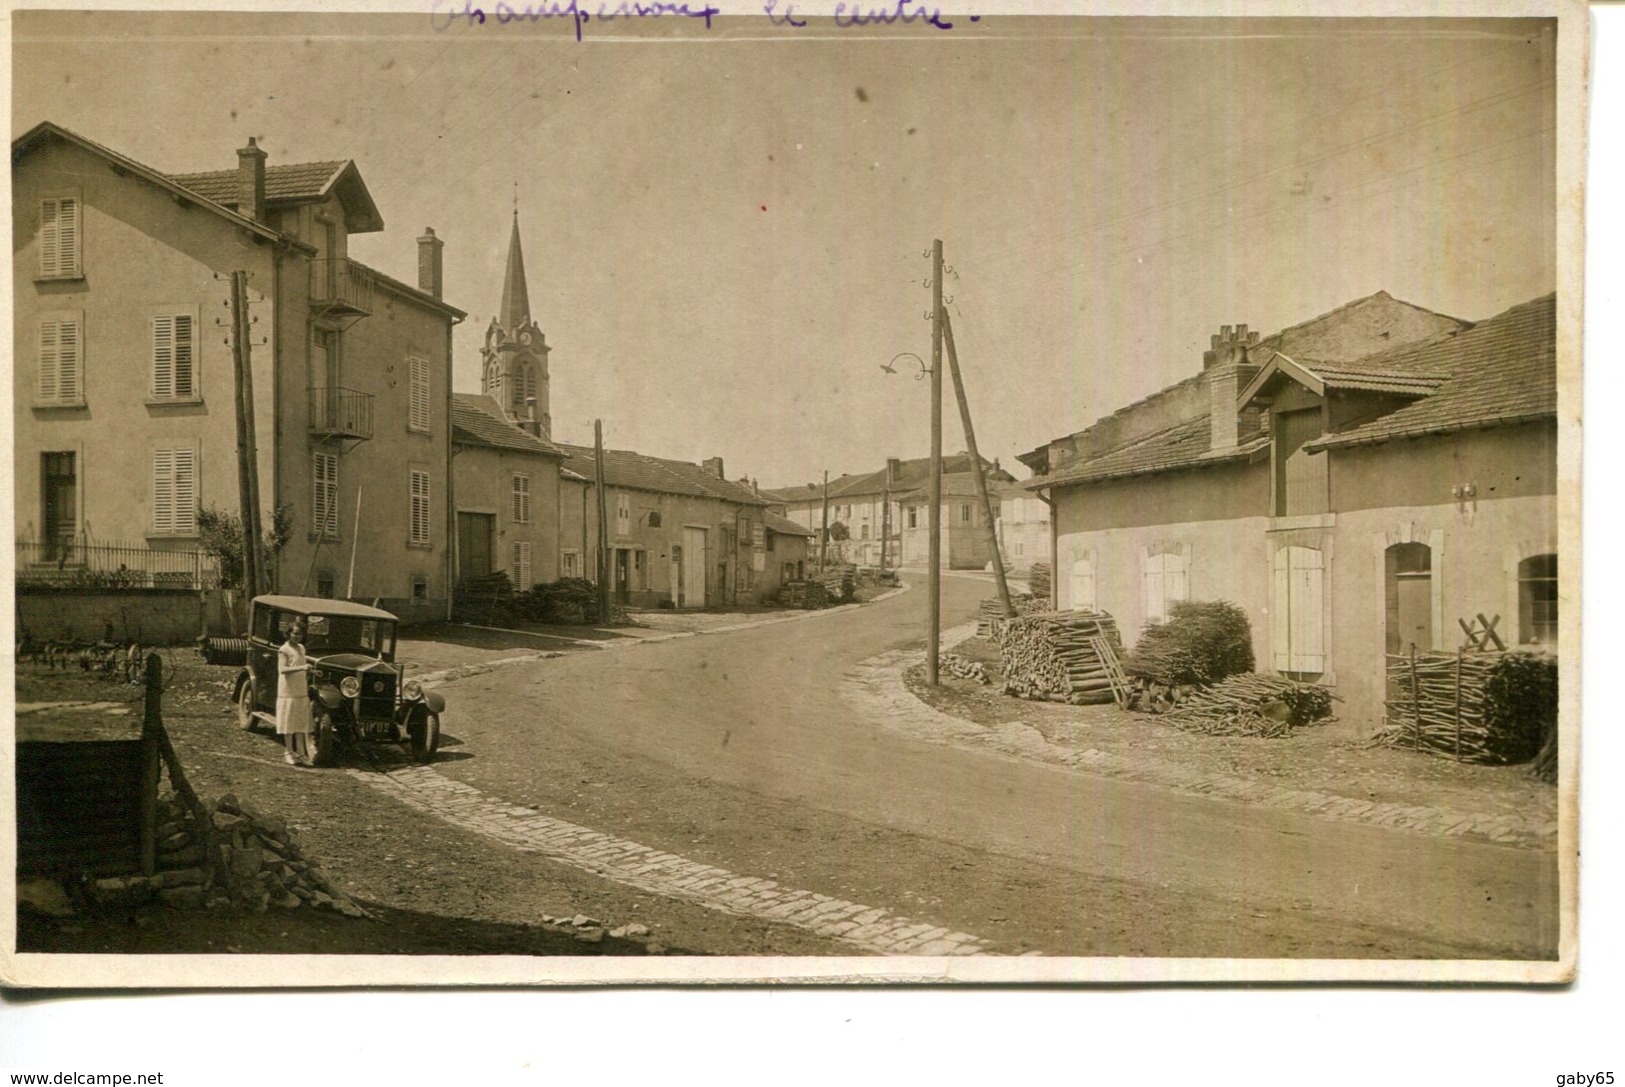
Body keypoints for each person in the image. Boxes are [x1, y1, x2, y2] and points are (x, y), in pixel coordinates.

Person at [276, 619, 315, 766]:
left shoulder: (301, 648)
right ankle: (289, 751)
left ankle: (301, 753)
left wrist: (310, 670)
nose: (298, 636)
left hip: (300, 688)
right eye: (295, 633)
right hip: (288, 689)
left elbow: (301, 664)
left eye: (300, 634)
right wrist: (303, 667)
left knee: (300, 722)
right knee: (288, 721)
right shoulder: (283, 650)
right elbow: (282, 670)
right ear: (289, 634)